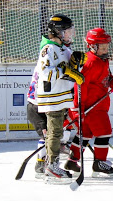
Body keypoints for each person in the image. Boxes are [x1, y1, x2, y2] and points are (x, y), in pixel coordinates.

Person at [67, 28, 113, 178]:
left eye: (107, 46)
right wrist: (78, 108)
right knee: (104, 132)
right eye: (103, 47)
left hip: (98, 104)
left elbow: (105, 78)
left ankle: (72, 161)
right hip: (92, 107)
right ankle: (99, 163)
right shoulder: (91, 62)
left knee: (86, 133)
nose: (106, 49)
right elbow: (80, 85)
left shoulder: (103, 60)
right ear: (92, 46)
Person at [36, 14, 85, 183]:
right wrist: (67, 70)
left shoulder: (63, 49)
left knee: (59, 132)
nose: (70, 35)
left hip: (62, 97)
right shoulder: (48, 49)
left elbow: (71, 69)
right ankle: (51, 165)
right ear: (57, 32)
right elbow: (46, 73)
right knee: (55, 132)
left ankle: (50, 163)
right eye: (67, 31)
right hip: (52, 97)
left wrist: (77, 63)